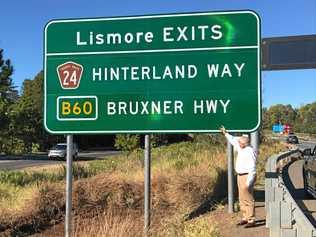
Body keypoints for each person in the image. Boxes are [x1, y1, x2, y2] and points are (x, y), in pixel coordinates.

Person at [220, 126, 257, 228]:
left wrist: (248, 183)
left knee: (248, 198)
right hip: (240, 176)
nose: (238, 144)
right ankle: (245, 217)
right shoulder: (241, 147)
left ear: (245, 144)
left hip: (247, 176)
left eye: (241, 143)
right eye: (239, 143)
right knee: (241, 198)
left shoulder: (249, 152)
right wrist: (225, 133)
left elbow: (252, 170)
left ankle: (251, 219)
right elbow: (233, 140)